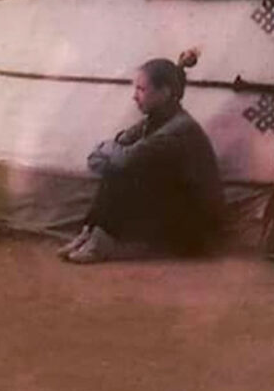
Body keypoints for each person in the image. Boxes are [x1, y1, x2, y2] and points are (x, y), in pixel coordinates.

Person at [59, 49, 225, 264]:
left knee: (122, 167)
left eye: (141, 89)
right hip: (171, 214)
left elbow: (125, 157)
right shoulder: (155, 120)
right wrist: (112, 151)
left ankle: (101, 240)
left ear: (164, 93)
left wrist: (107, 148)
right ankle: (91, 233)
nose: (134, 96)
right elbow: (106, 154)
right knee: (118, 165)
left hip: (194, 230)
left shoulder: (179, 130)